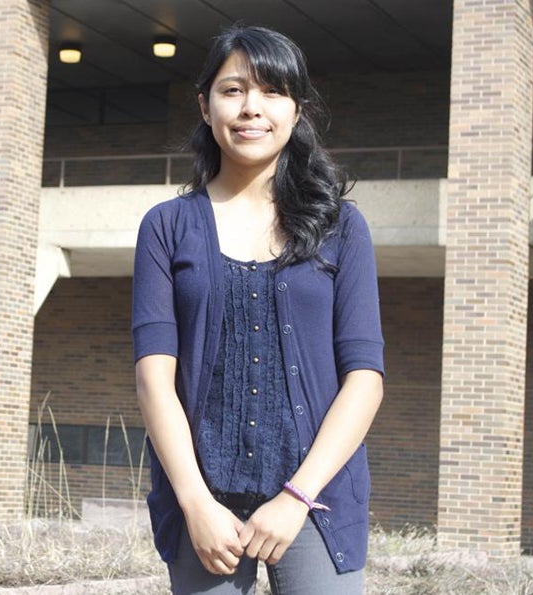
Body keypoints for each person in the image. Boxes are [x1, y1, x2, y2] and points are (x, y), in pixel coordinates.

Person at [131, 25, 384, 595]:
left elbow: (365, 379)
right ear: (205, 104)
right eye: (233, 90)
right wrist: (195, 502)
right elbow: (153, 379)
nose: (251, 108)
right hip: (203, 500)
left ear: (297, 109)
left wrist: (296, 497)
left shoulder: (341, 227)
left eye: (272, 91)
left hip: (316, 498)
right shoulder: (166, 227)